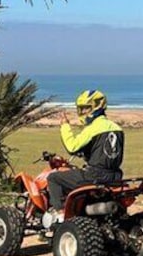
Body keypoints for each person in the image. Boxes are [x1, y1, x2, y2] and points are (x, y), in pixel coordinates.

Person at [46, 89, 124, 222]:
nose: (83, 113)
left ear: (97, 107)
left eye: (86, 109)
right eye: (81, 109)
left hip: (94, 175)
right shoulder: (117, 128)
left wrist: (65, 126)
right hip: (115, 175)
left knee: (54, 178)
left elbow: (72, 146)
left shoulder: (93, 129)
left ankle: (60, 214)